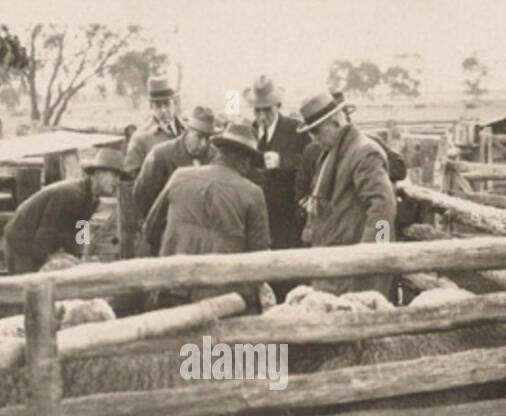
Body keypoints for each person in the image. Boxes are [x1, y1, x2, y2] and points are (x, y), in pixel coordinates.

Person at [143, 122, 271, 306]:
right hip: (218, 298)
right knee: (207, 335)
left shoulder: (180, 176)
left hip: (172, 287)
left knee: (174, 334)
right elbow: (259, 256)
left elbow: (150, 229)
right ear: (246, 160)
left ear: (219, 151)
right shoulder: (252, 193)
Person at [295, 90, 397, 298]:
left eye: (317, 132)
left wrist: (374, 251)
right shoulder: (331, 154)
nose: (314, 140)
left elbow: (384, 206)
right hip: (335, 264)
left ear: (335, 123)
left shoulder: (363, 152)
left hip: (355, 269)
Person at [2, 147, 127, 275]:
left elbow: (80, 230)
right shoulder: (72, 194)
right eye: (115, 175)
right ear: (99, 173)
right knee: (28, 284)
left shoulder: (92, 200)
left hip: (36, 239)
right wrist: (45, 264)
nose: (117, 182)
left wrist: (82, 259)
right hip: (21, 238)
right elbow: (47, 231)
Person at [247, 75, 308, 252]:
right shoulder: (248, 133)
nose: (262, 116)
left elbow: (312, 163)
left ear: (278, 106)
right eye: (257, 111)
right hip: (256, 218)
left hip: (287, 219)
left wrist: (283, 161)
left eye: (267, 110)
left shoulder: (296, 130)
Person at [132, 106, 219, 226]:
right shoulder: (160, 155)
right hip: (169, 229)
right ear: (188, 131)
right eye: (199, 137)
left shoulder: (215, 157)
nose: (204, 144)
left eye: (208, 138)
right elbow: (142, 196)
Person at [123, 76, 186, 177]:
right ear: (151, 106)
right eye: (158, 105)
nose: (163, 110)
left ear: (174, 103)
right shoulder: (140, 138)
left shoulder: (187, 130)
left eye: (166, 104)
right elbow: (130, 176)